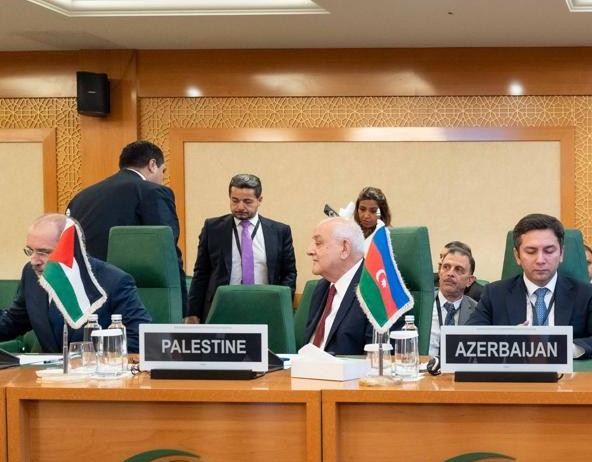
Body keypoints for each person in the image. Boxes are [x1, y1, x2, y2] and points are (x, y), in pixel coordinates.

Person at [466, 213, 592, 359]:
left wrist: (565, 348)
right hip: (514, 372)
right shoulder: (494, 293)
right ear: (517, 256)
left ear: (561, 253)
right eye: (531, 252)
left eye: (549, 251)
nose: (540, 260)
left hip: (567, 374)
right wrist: (506, 340)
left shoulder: (585, 294)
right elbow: (467, 340)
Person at [0, 214, 151, 353]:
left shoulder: (114, 281)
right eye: (30, 251)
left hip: (94, 371)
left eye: (43, 252)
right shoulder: (31, 274)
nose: (34, 261)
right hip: (46, 373)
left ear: (72, 249)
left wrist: (87, 357)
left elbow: (139, 339)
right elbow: (13, 322)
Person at [67, 139, 186, 313]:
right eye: (163, 171)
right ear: (152, 165)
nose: (162, 178)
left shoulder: (80, 197)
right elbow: (167, 250)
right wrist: (184, 307)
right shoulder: (153, 192)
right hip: (133, 299)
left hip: (82, 298)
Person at [185, 174, 297, 323]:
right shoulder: (212, 228)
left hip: (265, 308)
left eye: (247, 201)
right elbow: (201, 273)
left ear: (260, 200)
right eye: (235, 200)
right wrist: (192, 312)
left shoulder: (279, 232)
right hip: (221, 309)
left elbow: (289, 274)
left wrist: (280, 306)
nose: (240, 207)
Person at [301, 217, 379, 355]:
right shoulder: (321, 288)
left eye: (318, 243)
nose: (309, 250)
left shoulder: (376, 292)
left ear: (344, 248)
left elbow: (378, 360)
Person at [428, 243, 478, 357]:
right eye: (446, 267)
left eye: (458, 270)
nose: (450, 273)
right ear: (439, 272)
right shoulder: (420, 304)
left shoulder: (477, 311)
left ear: (469, 281)